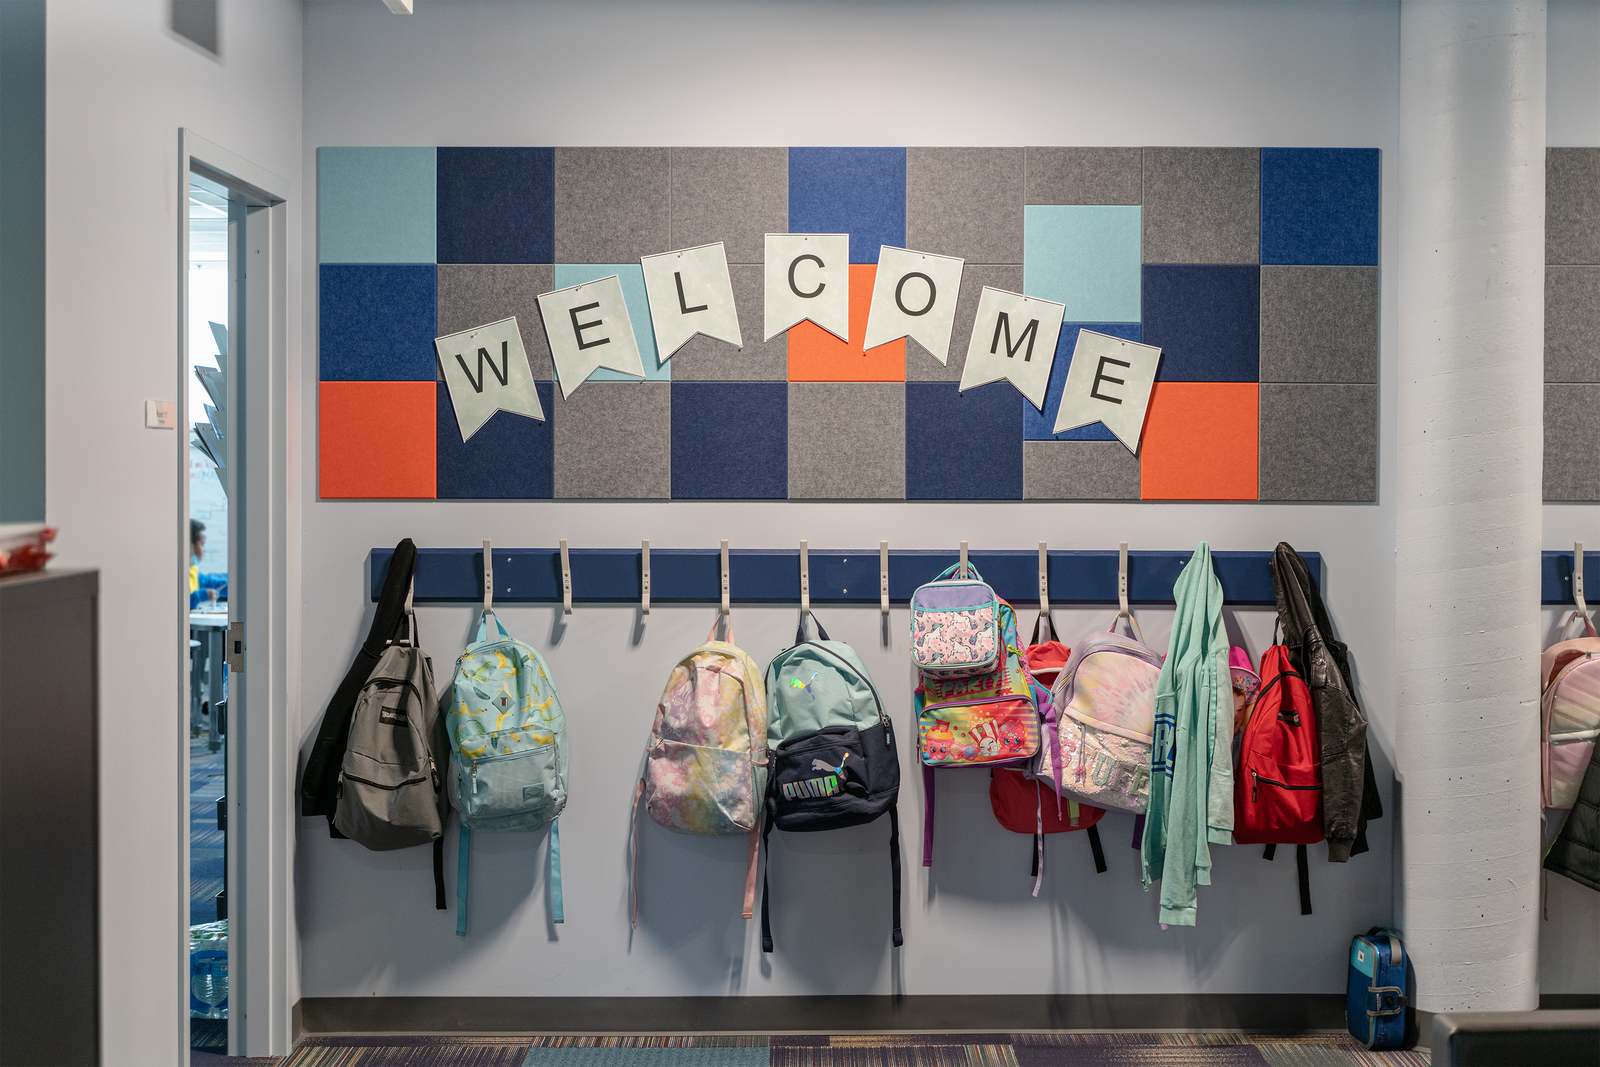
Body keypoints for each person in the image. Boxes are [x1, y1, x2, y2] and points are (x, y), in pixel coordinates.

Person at [190, 519, 227, 610]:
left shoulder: (193, 569)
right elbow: (178, 604)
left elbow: (211, 583)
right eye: (202, 544)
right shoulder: (175, 573)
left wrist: (235, 586)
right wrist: (202, 595)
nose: (204, 549)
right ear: (189, 546)